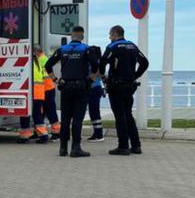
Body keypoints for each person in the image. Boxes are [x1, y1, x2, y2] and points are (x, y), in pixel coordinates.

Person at [45, 26, 100, 157]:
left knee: (65, 119)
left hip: (66, 87)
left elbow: (48, 65)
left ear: (71, 36)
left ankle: (63, 149)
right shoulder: (86, 49)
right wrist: (90, 80)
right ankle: (76, 148)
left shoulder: (62, 50)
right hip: (81, 87)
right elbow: (96, 65)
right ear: (82, 36)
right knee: (77, 119)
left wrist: (56, 80)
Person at [100, 25, 149, 155]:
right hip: (129, 86)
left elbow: (102, 62)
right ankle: (136, 145)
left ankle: (123, 146)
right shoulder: (132, 46)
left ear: (115, 34)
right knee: (128, 114)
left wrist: (103, 77)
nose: (109, 37)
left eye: (110, 35)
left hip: (116, 86)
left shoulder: (113, 47)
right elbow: (145, 62)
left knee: (120, 116)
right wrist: (135, 76)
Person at [17, 47, 49, 144]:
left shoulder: (28, 62)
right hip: (39, 92)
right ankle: (43, 135)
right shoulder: (37, 62)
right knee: (37, 114)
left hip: (31, 91)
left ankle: (24, 136)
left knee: (24, 113)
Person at [37, 45, 61, 140]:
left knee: (49, 111)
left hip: (46, 89)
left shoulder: (40, 60)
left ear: (36, 52)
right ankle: (40, 132)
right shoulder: (43, 58)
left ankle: (56, 133)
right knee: (44, 111)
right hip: (46, 89)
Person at [86, 45, 105, 142]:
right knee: (94, 111)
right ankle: (97, 132)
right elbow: (103, 76)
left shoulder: (92, 63)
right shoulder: (100, 63)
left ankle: (99, 134)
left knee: (94, 111)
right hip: (97, 88)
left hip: (93, 88)